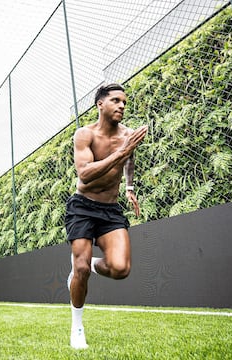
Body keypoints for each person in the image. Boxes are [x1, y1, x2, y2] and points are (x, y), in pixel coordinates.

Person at [65, 83, 148, 349]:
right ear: (100, 104)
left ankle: (89, 265)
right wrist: (121, 152)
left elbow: (130, 160)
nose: (122, 105)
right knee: (78, 267)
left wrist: (130, 187)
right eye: (115, 100)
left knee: (120, 269)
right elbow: (85, 173)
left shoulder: (127, 135)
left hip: (110, 209)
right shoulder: (84, 134)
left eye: (124, 101)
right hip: (83, 207)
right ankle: (77, 327)